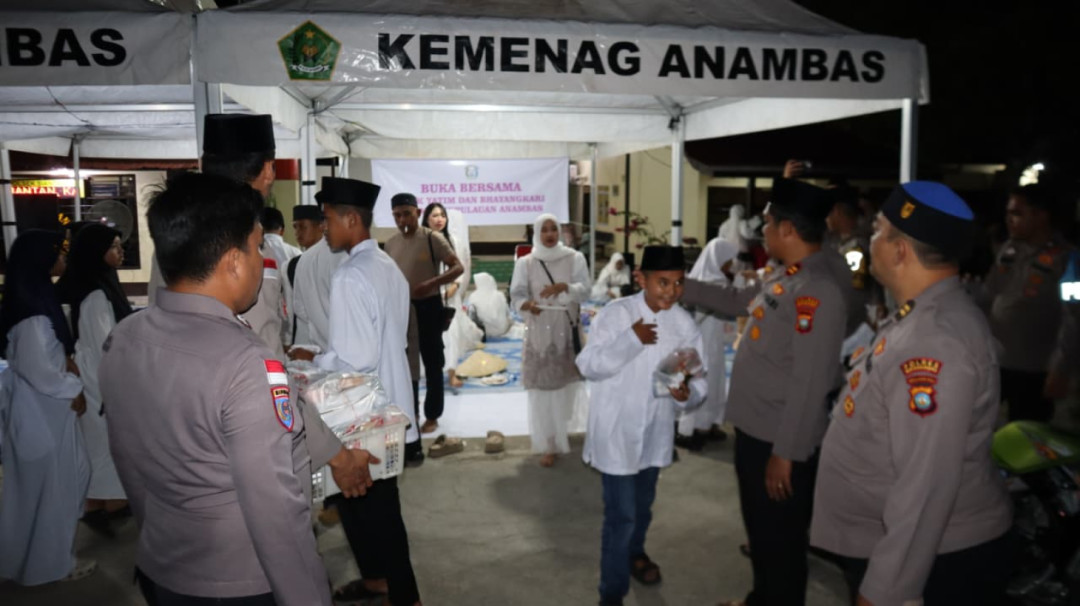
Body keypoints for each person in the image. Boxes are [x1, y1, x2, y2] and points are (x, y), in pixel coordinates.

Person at [101, 173, 378, 605]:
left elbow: (130, 467)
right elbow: (277, 515)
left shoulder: (126, 337)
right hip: (239, 580)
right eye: (255, 248)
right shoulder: (248, 364)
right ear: (232, 262)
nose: (259, 259)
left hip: (163, 566)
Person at [811, 181, 1014, 606]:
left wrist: (885, 589)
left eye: (879, 230)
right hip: (909, 546)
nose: (870, 238)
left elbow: (926, 485)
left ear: (900, 250)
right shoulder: (920, 317)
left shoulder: (934, 341)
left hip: (933, 560)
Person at [684, 178, 851, 606]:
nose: (765, 234)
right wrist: (680, 285)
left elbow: (811, 384)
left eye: (771, 225)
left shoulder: (817, 291)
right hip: (758, 431)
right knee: (762, 533)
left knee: (781, 543)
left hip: (780, 440)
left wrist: (787, 454)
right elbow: (741, 301)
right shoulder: (786, 275)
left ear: (790, 231)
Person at [290, 176, 423, 606]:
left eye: (328, 219)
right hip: (388, 402)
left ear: (351, 219)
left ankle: (406, 595)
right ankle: (381, 583)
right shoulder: (385, 266)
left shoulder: (350, 275)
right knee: (366, 502)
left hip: (364, 409)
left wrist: (313, 360)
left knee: (378, 509)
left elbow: (356, 358)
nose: (324, 227)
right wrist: (326, 353)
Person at [577, 245, 707, 606]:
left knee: (643, 506)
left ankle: (635, 553)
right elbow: (589, 365)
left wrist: (687, 394)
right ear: (641, 279)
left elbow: (698, 381)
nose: (671, 291)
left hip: (655, 433)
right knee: (621, 516)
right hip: (616, 433)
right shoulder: (616, 316)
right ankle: (612, 594)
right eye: (662, 282)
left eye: (678, 283)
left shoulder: (683, 324)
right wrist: (632, 338)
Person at [0, 229, 96, 585]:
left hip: (45, 412)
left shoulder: (36, 303)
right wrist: (75, 387)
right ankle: (51, 565)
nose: (63, 257)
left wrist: (67, 366)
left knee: (46, 491)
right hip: (45, 413)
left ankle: (37, 562)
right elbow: (40, 370)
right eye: (57, 251)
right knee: (56, 491)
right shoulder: (33, 316)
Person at [977, 184, 1079, 421]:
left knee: (1027, 440)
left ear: (1041, 216)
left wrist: (1061, 369)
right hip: (995, 363)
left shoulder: (1067, 259)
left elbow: (1074, 318)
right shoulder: (1009, 250)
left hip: (1035, 370)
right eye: (1008, 213)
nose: (1009, 220)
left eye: (1017, 214)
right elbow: (988, 295)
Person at [55, 223, 132, 534]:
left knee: (96, 444)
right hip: (99, 378)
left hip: (87, 375)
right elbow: (106, 345)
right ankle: (102, 504)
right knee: (104, 444)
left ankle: (101, 503)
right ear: (97, 253)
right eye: (114, 246)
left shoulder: (80, 283)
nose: (120, 251)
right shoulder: (97, 293)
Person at [510, 213, 592, 467]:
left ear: (559, 232)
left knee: (564, 388)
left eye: (553, 229)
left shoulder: (574, 258)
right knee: (544, 391)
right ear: (536, 233)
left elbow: (586, 290)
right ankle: (549, 442)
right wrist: (528, 305)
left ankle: (560, 433)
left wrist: (564, 287)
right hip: (539, 332)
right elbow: (516, 295)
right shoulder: (526, 262)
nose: (549, 234)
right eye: (544, 230)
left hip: (566, 330)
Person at [385, 192, 464, 434]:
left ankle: (432, 415)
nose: (402, 220)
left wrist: (431, 283)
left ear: (418, 213)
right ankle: (411, 413)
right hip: (402, 311)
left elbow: (457, 267)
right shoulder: (390, 244)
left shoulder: (433, 239)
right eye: (397, 215)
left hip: (429, 307)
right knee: (405, 365)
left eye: (407, 214)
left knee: (432, 363)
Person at [676, 236, 739, 450]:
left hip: (714, 344)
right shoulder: (704, 286)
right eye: (728, 259)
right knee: (698, 385)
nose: (731, 264)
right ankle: (690, 431)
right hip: (699, 346)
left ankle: (710, 422)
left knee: (716, 384)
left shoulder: (717, 282)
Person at [421, 203, 483, 390]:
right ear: (426, 219)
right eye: (435, 215)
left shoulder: (453, 240)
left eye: (442, 215)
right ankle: (434, 372)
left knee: (452, 334)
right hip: (430, 296)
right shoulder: (421, 241)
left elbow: (461, 265)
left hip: (451, 296)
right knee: (432, 337)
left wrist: (455, 285)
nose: (439, 219)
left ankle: (452, 372)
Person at [291, 205, 346, 349]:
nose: (298, 233)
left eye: (303, 227)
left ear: (320, 226)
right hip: (344, 351)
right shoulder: (346, 254)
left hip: (315, 349)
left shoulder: (305, 259)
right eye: (295, 227)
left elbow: (300, 310)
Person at [260, 207, 301, 346]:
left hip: (262, 318)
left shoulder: (255, 250)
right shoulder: (296, 253)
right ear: (282, 230)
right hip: (290, 317)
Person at [468, 272, 513, 339]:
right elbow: (507, 313)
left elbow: (471, 316)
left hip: (483, 331)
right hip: (503, 329)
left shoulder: (474, 296)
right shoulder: (499, 295)